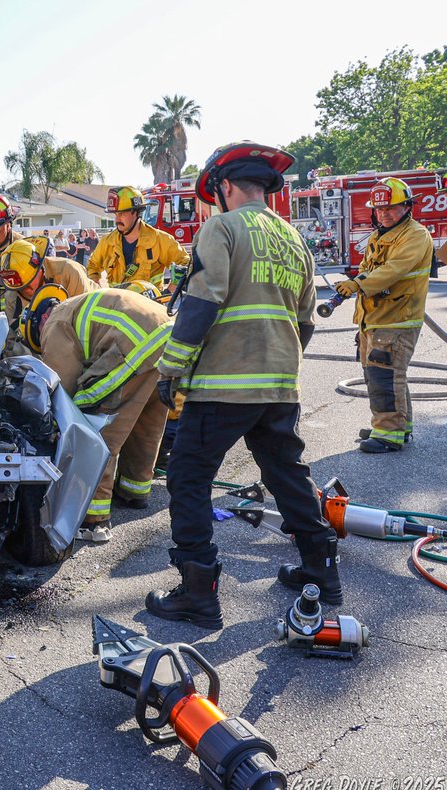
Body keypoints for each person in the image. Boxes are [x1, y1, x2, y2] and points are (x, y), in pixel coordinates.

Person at [146, 141, 339, 630]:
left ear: (225, 186)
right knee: (286, 474)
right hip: (278, 386)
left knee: (189, 478)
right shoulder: (293, 239)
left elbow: (201, 304)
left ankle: (197, 594)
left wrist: (171, 369)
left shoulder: (222, 227)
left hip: (223, 385)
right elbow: (305, 320)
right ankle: (322, 570)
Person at [33, 289, 171, 542]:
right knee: (146, 420)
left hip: (137, 341)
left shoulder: (55, 322)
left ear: (39, 321)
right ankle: (135, 489)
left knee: (95, 421)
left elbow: (64, 386)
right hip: (168, 334)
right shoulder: (78, 303)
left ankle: (93, 517)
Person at [334, 177, 434, 453]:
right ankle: (397, 425)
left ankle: (388, 433)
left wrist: (358, 284)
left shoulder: (415, 235)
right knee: (383, 375)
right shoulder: (380, 235)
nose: (384, 213)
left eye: (391, 208)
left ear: (407, 207)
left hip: (397, 319)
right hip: (375, 319)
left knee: (385, 376)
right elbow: (370, 268)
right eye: (379, 210)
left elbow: (392, 271)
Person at [0, 235, 97, 355]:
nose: (25, 291)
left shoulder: (69, 272)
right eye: (20, 289)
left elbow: (87, 323)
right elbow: (12, 337)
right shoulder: (12, 294)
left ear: (40, 268)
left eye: (28, 285)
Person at [88, 187, 189, 288]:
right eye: (116, 214)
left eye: (122, 214)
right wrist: (96, 288)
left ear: (136, 212)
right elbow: (92, 266)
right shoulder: (107, 242)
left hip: (149, 303)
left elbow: (185, 264)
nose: (117, 219)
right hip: (117, 303)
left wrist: (170, 290)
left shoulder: (159, 240)